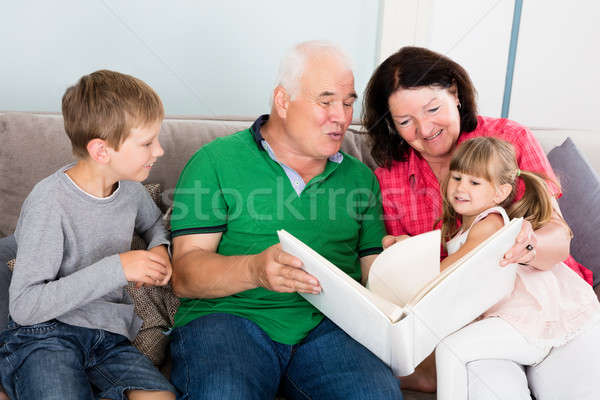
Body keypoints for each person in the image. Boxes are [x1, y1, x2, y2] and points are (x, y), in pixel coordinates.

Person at [169, 41, 402, 399]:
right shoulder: (214, 162)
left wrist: (400, 267)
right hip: (228, 319)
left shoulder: (360, 179)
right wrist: (255, 269)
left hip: (331, 328)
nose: (341, 116)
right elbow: (184, 276)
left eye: (348, 102)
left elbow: (374, 278)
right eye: (325, 101)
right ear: (282, 100)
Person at [362, 46, 594, 397]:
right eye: (405, 122)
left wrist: (528, 246)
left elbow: (558, 237)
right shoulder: (390, 177)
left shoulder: (509, 139)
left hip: (552, 304)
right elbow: (419, 281)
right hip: (476, 319)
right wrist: (400, 259)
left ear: (455, 93)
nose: (424, 129)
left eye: (433, 109)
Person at [0, 70, 176, 400]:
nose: (160, 151)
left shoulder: (130, 191)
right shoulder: (49, 202)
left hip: (109, 337)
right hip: (46, 335)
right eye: (147, 143)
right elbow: (24, 305)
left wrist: (160, 249)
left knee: (160, 397)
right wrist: (119, 267)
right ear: (101, 151)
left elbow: (154, 225)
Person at [434, 137, 600, 400]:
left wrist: (416, 276)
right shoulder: (462, 227)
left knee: (449, 350)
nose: (461, 188)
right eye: (456, 178)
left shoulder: (489, 223)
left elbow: (449, 272)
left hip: (525, 321)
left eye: (474, 182)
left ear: (500, 193)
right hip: (514, 322)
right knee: (452, 349)